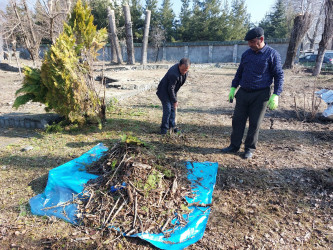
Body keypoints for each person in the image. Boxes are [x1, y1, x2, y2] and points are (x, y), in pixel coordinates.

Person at [221, 27, 284, 159]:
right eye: (248, 42)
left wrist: (276, 94)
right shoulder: (247, 54)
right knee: (237, 121)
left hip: (261, 95)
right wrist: (233, 87)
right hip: (243, 93)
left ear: (261, 39)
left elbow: (279, 75)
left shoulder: (272, 54)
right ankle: (234, 145)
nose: (249, 44)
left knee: (254, 123)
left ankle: (249, 149)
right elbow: (239, 72)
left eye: (252, 41)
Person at [156, 58, 191, 135]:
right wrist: (174, 100)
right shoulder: (173, 73)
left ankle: (172, 127)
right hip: (163, 91)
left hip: (172, 91)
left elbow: (174, 88)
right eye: (182, 70)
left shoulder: (185, 71)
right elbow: (170, 88)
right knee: (168, 109)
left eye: (186, 70)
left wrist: (174, 99)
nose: (184, 72)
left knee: (172, 108)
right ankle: (164, 130)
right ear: (179, 66)